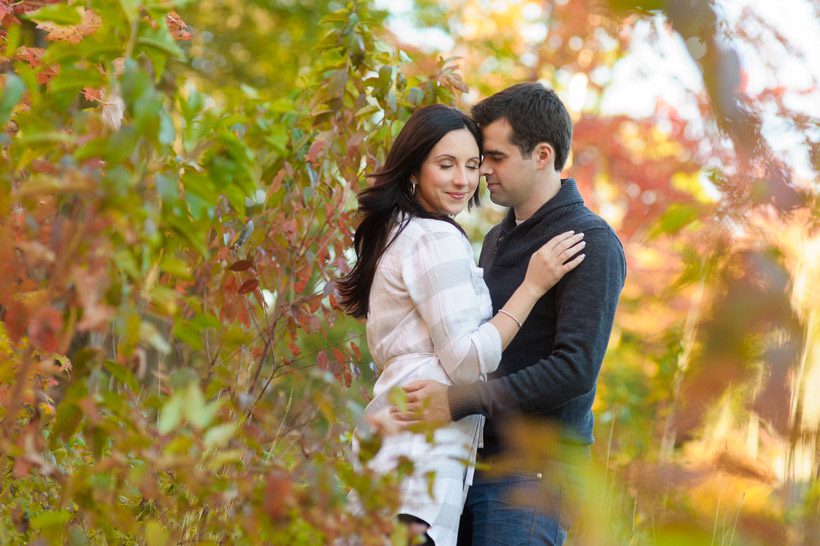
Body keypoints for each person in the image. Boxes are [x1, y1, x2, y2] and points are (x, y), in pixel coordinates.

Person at [337, 104, 587, 546]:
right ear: (414, 170)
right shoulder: (437, 237)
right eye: (446, 164)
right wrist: (532, 286)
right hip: (418, 469)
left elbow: (575, 367)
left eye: (473, 165)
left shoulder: (400, 231)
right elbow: (468, 361)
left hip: (393, 458)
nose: (466, 179)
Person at [391, 84, 627, 546]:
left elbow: (574, 370)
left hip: (534, 475)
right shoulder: (496, 240)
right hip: (469, 463)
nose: (482, 172)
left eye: (494, 158)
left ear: (542, 154)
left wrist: (457, 400)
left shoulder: (589, 240)